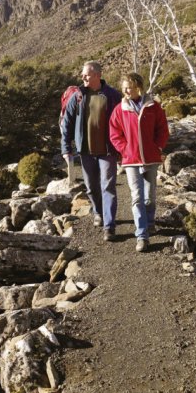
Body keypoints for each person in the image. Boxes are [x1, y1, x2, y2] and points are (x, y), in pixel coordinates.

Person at [61, 61, 122, 242]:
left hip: (107, 151)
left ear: (97, 75)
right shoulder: (78, 96)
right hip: (85, 151)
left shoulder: (112, 95)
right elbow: (67, 123)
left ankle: (109, 226)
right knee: (91, 187)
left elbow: (122, 122)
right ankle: (98, 212)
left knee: (108, 186)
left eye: (86, 74)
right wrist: (66, 148)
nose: (83, 77)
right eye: (82, 74)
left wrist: (123, 149)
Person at [109, 72, 169, 252]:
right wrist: (125, 149)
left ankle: (150, 221)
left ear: (139, 88)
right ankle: (142, 235)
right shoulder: (120, 110)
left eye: (131, 87)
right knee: (137, 197)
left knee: (150, 196)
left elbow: (163, 129)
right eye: (125, 88)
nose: (127, 91)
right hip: (131, 160)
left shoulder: (153, 106)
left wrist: (157, 147)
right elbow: (114, 133)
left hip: (151, 158)